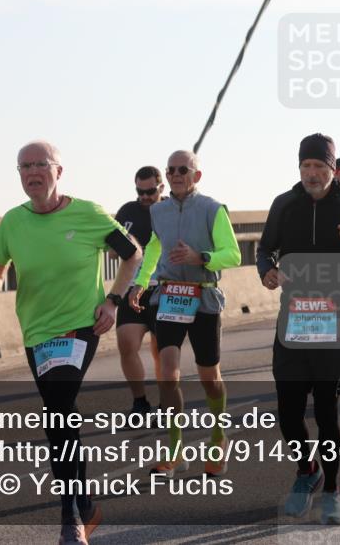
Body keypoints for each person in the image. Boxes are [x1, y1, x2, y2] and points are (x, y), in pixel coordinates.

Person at [0, 141, 141, 545]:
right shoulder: (13, 222)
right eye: (24, 167)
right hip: (37, 332)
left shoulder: (87, 214)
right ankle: (85, 505)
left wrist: (113, 300)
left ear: (59, 172)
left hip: (80, 326)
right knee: (56, 416)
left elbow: (132, 254)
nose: (32, 172)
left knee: (61, 406)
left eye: (40, 165)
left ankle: (70, 517)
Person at [256, 134, 340, 525]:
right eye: (306, 167)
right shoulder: (284, 204)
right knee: (288, 411)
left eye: (319, 167)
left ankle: (333, 489)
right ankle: (307, 470)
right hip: (294, 316)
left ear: (333, 170)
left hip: (336, 319)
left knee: (327, 411)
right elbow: (264, 248)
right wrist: (267, 270)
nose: (312, 174)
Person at [129, 150, 241, 478]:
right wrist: (140, 282)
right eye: (172, 170)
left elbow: (232, 255)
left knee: (210, 378)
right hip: (169, 295)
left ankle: (219, 437)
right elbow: (153, 247)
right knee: (168, 373)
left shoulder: (212, 209)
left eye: (183, 169)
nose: (177, 174)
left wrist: (201, 257)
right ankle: (175, 450)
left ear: (197, 175)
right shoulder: (159, 210)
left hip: (204, 297)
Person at [114, 166, 164, 416]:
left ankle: (167, 401)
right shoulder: (127, 211)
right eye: (140, 192)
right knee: (126, 344)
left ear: (161, 187)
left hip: (162, 289)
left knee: (162, 351)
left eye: (150, 192)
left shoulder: (170, 211)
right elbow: (111, 246)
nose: (144, 197)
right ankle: (140, 402)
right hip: (131, 287)